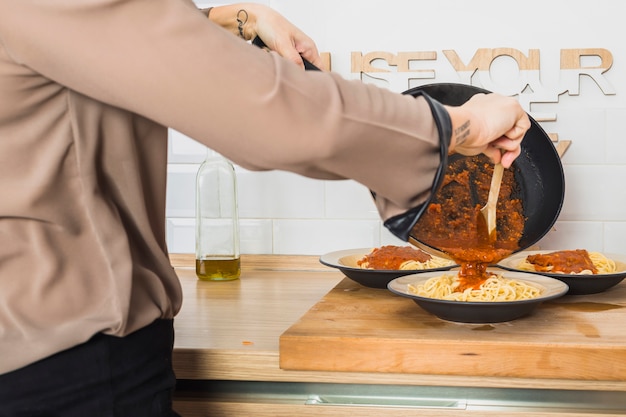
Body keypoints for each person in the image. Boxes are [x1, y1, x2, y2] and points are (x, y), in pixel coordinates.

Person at [0, 1, 529, 416]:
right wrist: (462, 125)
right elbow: (283, 120)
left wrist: (224, 20)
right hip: (67, 369)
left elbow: (70, 39)